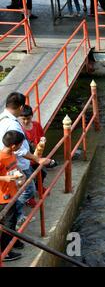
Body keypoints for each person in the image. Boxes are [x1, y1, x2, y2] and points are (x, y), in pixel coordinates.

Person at [0, 93, 50, 227]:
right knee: (27, 190)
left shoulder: (2, 118)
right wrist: (36, 158)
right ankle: (15, 215)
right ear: (21, 107)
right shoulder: (13, 125)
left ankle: (16, 215)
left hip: (10, 163)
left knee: (15, 191)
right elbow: (18, 149)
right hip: (15, 164)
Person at [0, 131, 26, 262]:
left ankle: (13, 241)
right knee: (8, 224)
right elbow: (4, 176)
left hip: (13, 193)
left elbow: (15, 168)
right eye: (20, 144)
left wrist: (21, 175)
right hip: (3, 198)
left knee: (13, 219)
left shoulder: (11, 155)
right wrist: (5, 178)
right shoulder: (1, 157)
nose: (21, 147)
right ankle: (5, 252)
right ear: (14, 146)